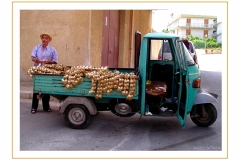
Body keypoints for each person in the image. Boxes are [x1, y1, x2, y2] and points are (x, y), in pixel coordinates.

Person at [30, 33, 58, 114]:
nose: (44, 39)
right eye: (43, 38)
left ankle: (46, 107)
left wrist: (48, 62)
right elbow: (33, 58)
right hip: (37, 71)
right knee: (36, 89)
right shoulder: (36, 48)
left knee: (46, 89)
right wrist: (38, 61)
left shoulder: (52, 50)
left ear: (49, 40)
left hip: (47, 72)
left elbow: (55, 61)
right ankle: (34, 107)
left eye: (46, 38)